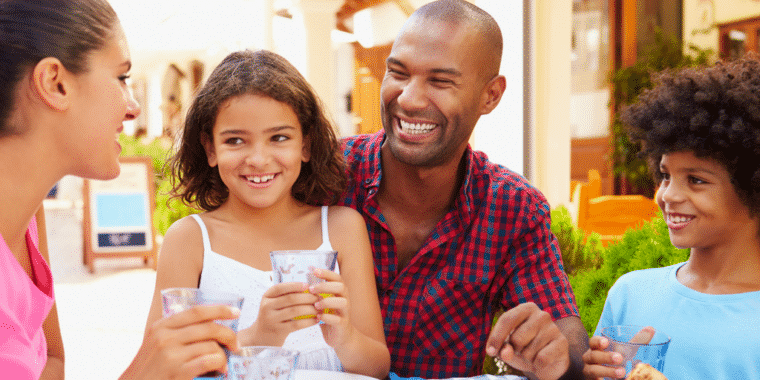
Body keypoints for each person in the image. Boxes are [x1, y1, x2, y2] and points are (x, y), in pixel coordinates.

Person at [338, 1, 588, 379]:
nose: (408, 98)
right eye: (398, 73)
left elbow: (569, 344)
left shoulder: (511, 207)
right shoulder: (326, 176)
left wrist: (554, 355)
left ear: (491, 95)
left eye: (440, 82)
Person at [0, 1, 240, 379]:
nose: (133, 108)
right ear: (55, 83)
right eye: (122, 78)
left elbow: (51, 365)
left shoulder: (29, 217)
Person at [145, 49, 390, 379]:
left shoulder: (341, 228)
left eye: (279, 137)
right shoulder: (191, 240)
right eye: (235, 140)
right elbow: (156, 366)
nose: (258, 159)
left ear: (306, 143)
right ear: (210, 149)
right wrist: (259, 335)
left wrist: (343, 336)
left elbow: (377, 367)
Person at [582, 56, 760, 379]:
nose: (668, 195)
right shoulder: (630, 294)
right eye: (665, 175)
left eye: (696, 180)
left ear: (752, 187)